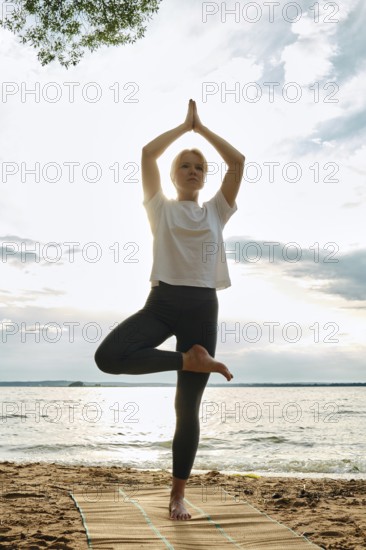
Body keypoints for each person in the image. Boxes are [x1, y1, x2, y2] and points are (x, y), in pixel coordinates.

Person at [94, 99, 245, 520]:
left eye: (200, 167)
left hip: (200, 307)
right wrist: (184, 127)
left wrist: (204, 130)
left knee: (186, 407)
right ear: (173, 174)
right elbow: (147, 153)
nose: (193, 171)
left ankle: (177, 495)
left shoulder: (217, 209)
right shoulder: (158, 206)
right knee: (108, 357)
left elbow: (237, 163)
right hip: (161, 304)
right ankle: (190, 361)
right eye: (185, 166)